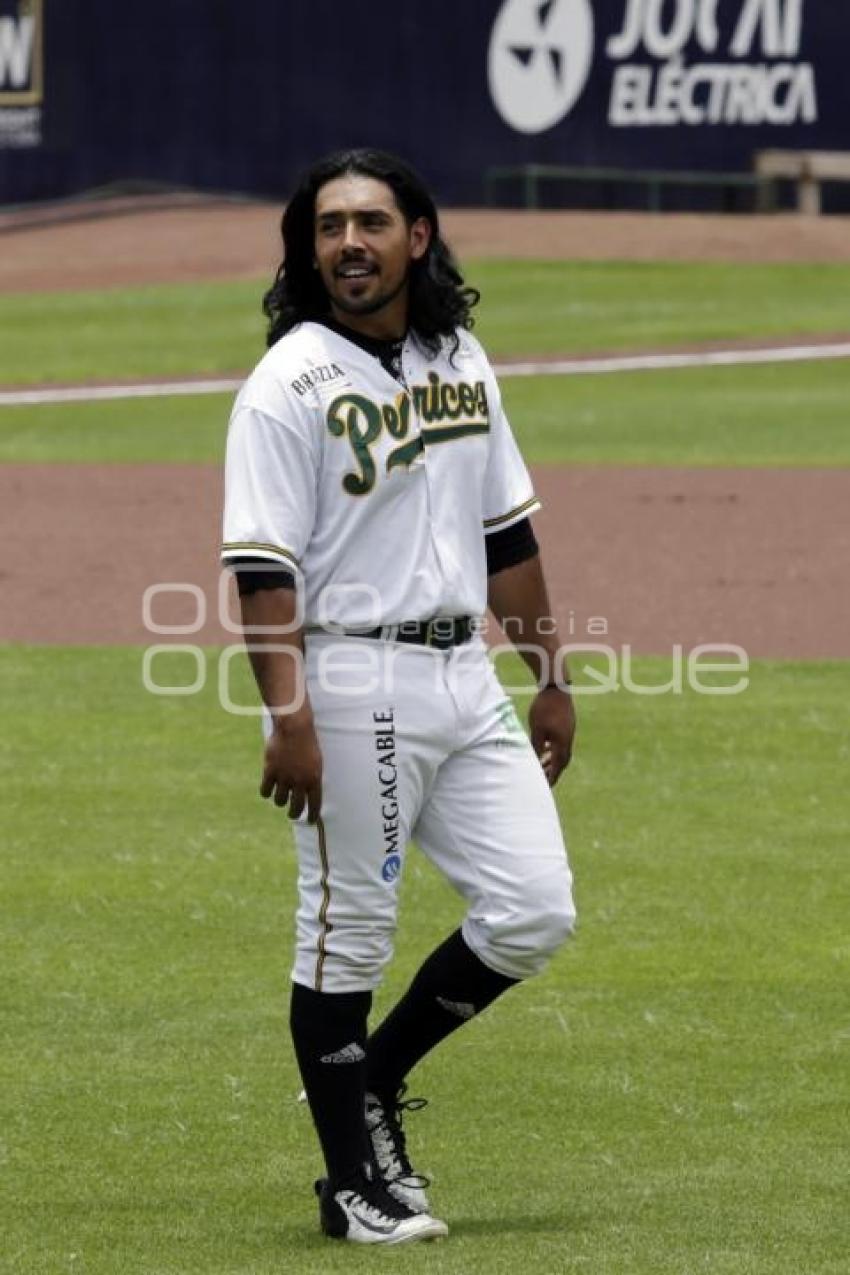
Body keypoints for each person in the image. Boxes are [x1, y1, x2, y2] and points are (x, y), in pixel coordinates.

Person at [221, 148, 577, 1246]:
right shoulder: (289, 385)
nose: (349, 244)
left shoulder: (459, 357)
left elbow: (505, 531)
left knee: (533, 909)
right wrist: (289, 718)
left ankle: (371, 1082)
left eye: (370, 222)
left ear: (416, 236)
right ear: (308, 248)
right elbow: (262, 568)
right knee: (345, 938)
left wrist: (550, 675)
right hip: (351, 675)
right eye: (328, 228)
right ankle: (350, 1190)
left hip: (463, 675)